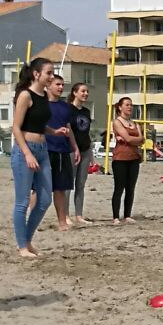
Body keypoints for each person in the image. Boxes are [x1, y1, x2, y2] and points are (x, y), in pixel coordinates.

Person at [11, 57, 55, 259]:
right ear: (36, 74)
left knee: (45, 199)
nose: (51, 77)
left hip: (42, 150)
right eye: (48, 73)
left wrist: (54, 132)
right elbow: (16, 127)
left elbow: (38, 124)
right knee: (23, 202)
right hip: (25, 151)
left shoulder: (44, 95)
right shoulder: (25, 95)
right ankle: (22, 246)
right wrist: (27, 153)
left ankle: (27, 240)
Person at [45, 74, 80, 231]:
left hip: (62, 150)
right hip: (45, 150)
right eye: (57, 84)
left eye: (62, 85)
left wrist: (75, 147)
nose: (60, 87)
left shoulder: (65, 107)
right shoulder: (41, 105)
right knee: (39, 188)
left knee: (60, 188)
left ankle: (62, 221)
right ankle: (31, 221)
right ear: (48, 85)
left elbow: (68, 128)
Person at [111, 97, 143, 225]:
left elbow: (142, 139)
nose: (130, 107)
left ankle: (127, 215)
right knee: (119, 188)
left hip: (134, 158)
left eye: (131, 105)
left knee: (131, 188)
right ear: (120, 107)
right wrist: (133, 139)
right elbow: (129, 138)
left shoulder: (135, 124)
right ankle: (115, 216)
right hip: (120, 158)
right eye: (127, 105)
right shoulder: (117, 122)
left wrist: (132, 139)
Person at [68, 82, 94, 225]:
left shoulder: (86, 112)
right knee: (68, 184)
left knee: (81, 184)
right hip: (71, 150)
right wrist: (74, 148)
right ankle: (65, 215)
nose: (86, 94)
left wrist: (90, 152)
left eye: (87, 91)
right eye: (83, 91)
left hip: (85, 150)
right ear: (75, 92)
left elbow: (86, 133)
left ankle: (79, 215)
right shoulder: (68, 109)